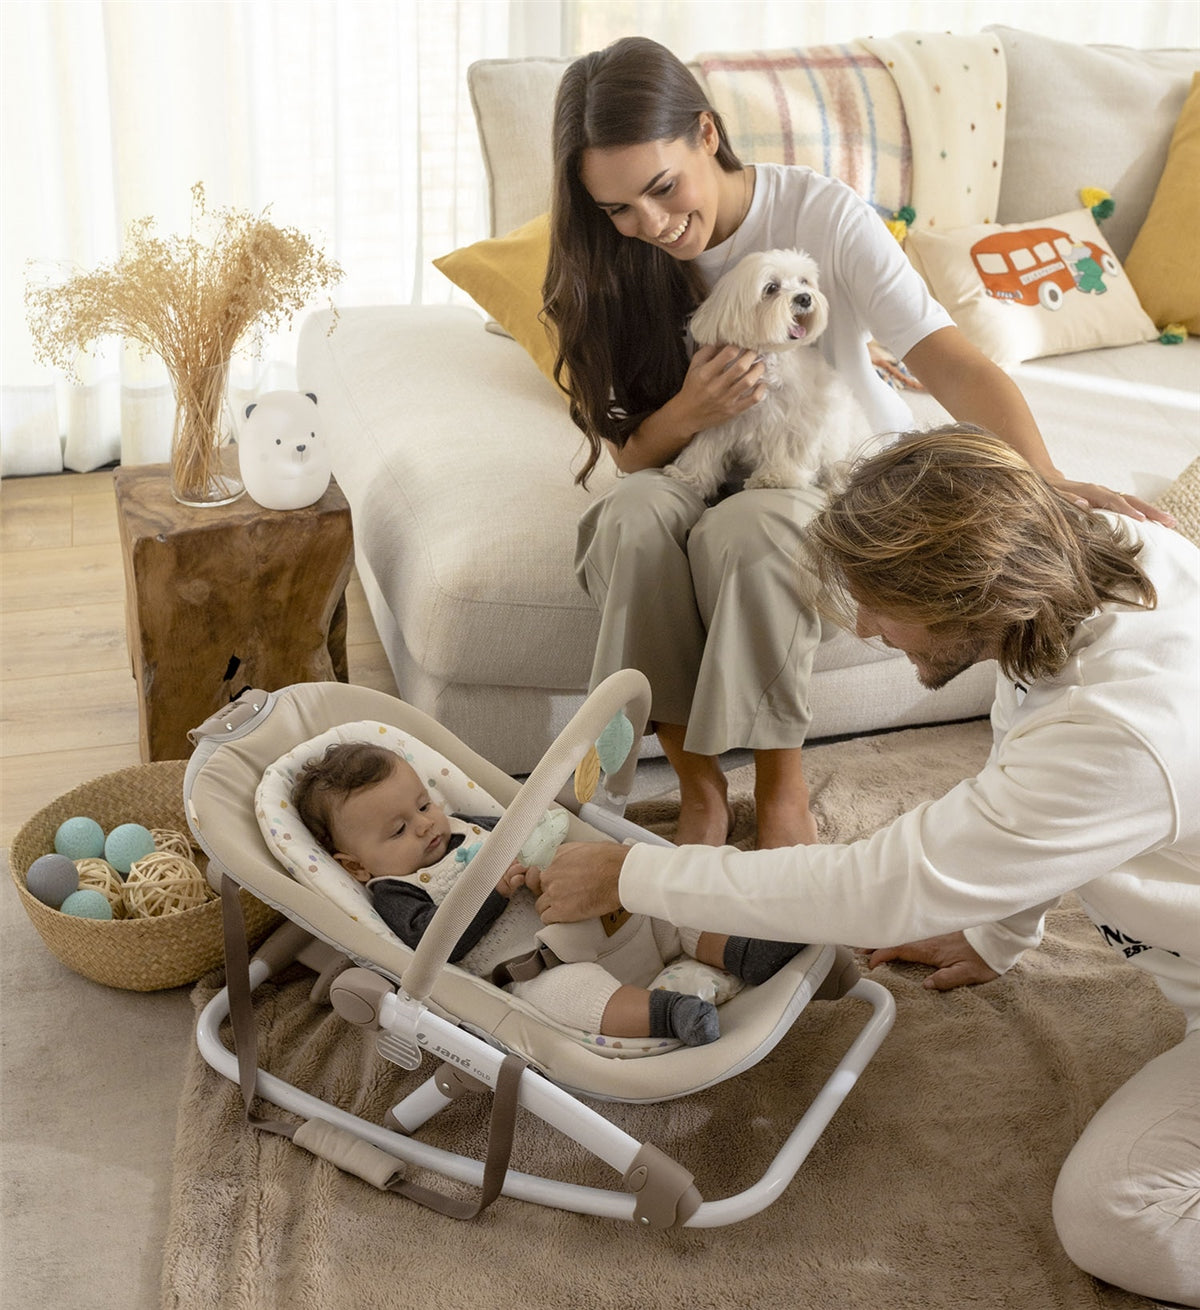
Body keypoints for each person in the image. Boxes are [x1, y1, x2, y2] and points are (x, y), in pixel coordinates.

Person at [527, 425, 1199, 1306]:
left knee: (1117, 1218)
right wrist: (999, 929)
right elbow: (1022, 758)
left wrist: (630, 875)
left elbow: (874, 888)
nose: (868, 630)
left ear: (976, 592)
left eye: (883, 607)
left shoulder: (1122, 732)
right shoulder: (1092, 559)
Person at [542, 35, 1172, 851]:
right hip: (688, 454)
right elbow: (632, 454)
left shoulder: (821, 216)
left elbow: (945, 356)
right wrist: (692, 409)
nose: (651, 224)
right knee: (632, 518)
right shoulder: (613, 260)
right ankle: (697, 792)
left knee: (755, 529)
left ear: (706, 132)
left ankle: (780, 793)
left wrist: (1043, 476)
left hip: (814, 466)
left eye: (661, 189)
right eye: (619, 208)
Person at [291, 741, 803, 1047]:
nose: (426, 827)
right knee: (568, 1000)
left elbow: (526, 828)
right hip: (541, 966)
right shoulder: (395, 891)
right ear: (356, 865)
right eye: (399, 830)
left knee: (665, 911)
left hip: (600, 917)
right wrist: (491, 886)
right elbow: (432, 945)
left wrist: (545, 838)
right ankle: (668, 1014)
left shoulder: (464, 827)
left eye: (424, 805)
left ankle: (745, 951)